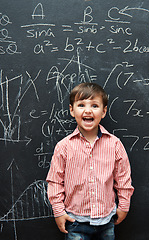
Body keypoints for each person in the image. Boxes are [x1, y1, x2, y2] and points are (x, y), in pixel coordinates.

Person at [46, 82, 134, 240]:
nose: (87, 110)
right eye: (81, 105)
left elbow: (123, 178)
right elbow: (55, 182)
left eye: (94, 105)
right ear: (72, 110)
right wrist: (58, 211)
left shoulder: (114, 144)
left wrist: (124, 206)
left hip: (107, 220)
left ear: (104, 111)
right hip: (75, 221)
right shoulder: (64, 147)